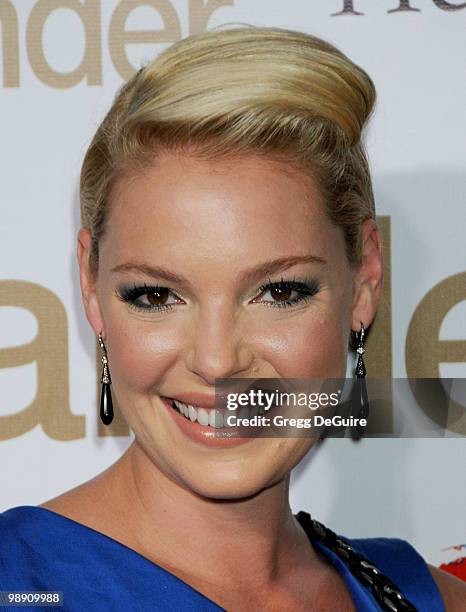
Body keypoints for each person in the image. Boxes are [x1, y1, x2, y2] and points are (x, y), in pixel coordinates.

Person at [1, 26, 464, 611]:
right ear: (91, 287)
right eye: (155, 295)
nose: (217, 360)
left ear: (365, 278)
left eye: (278, 291)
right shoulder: (19, 583)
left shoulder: (423, 595)